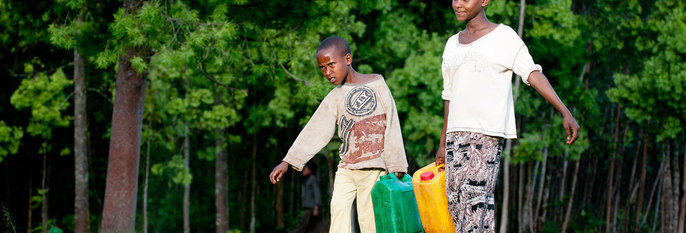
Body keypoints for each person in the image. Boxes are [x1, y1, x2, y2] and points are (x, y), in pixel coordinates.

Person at [435, 0, 581, 232]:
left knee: (474, 210)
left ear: (484, 1)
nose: (458, 4)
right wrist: (443, 142)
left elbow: (532, 73)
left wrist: (564, 111)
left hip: (485, 137)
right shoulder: (452, 43)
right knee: (455, 207)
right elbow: (448, 94)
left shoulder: (504, 36)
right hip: (455, 138)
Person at [269, 36, 408, 233]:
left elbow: (392, 123)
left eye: (331, 65)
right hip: (347, 169)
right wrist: (288, 161)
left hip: (374, 168)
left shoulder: (377, 83)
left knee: (370, 221)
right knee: (338, 214)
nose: (327, 72)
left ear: (348, 59)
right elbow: (315, 129)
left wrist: (397, 164)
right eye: (322, 68)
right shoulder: (335, 96)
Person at [290, 161, 324, 233]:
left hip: (312, 208)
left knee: (301, 226)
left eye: (305, 168)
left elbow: (317, 193)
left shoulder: (313, 179)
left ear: (310, 170)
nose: (304, 170)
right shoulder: (308, 180)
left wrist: (316, 207)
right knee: (315, 228)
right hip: (310, 208)